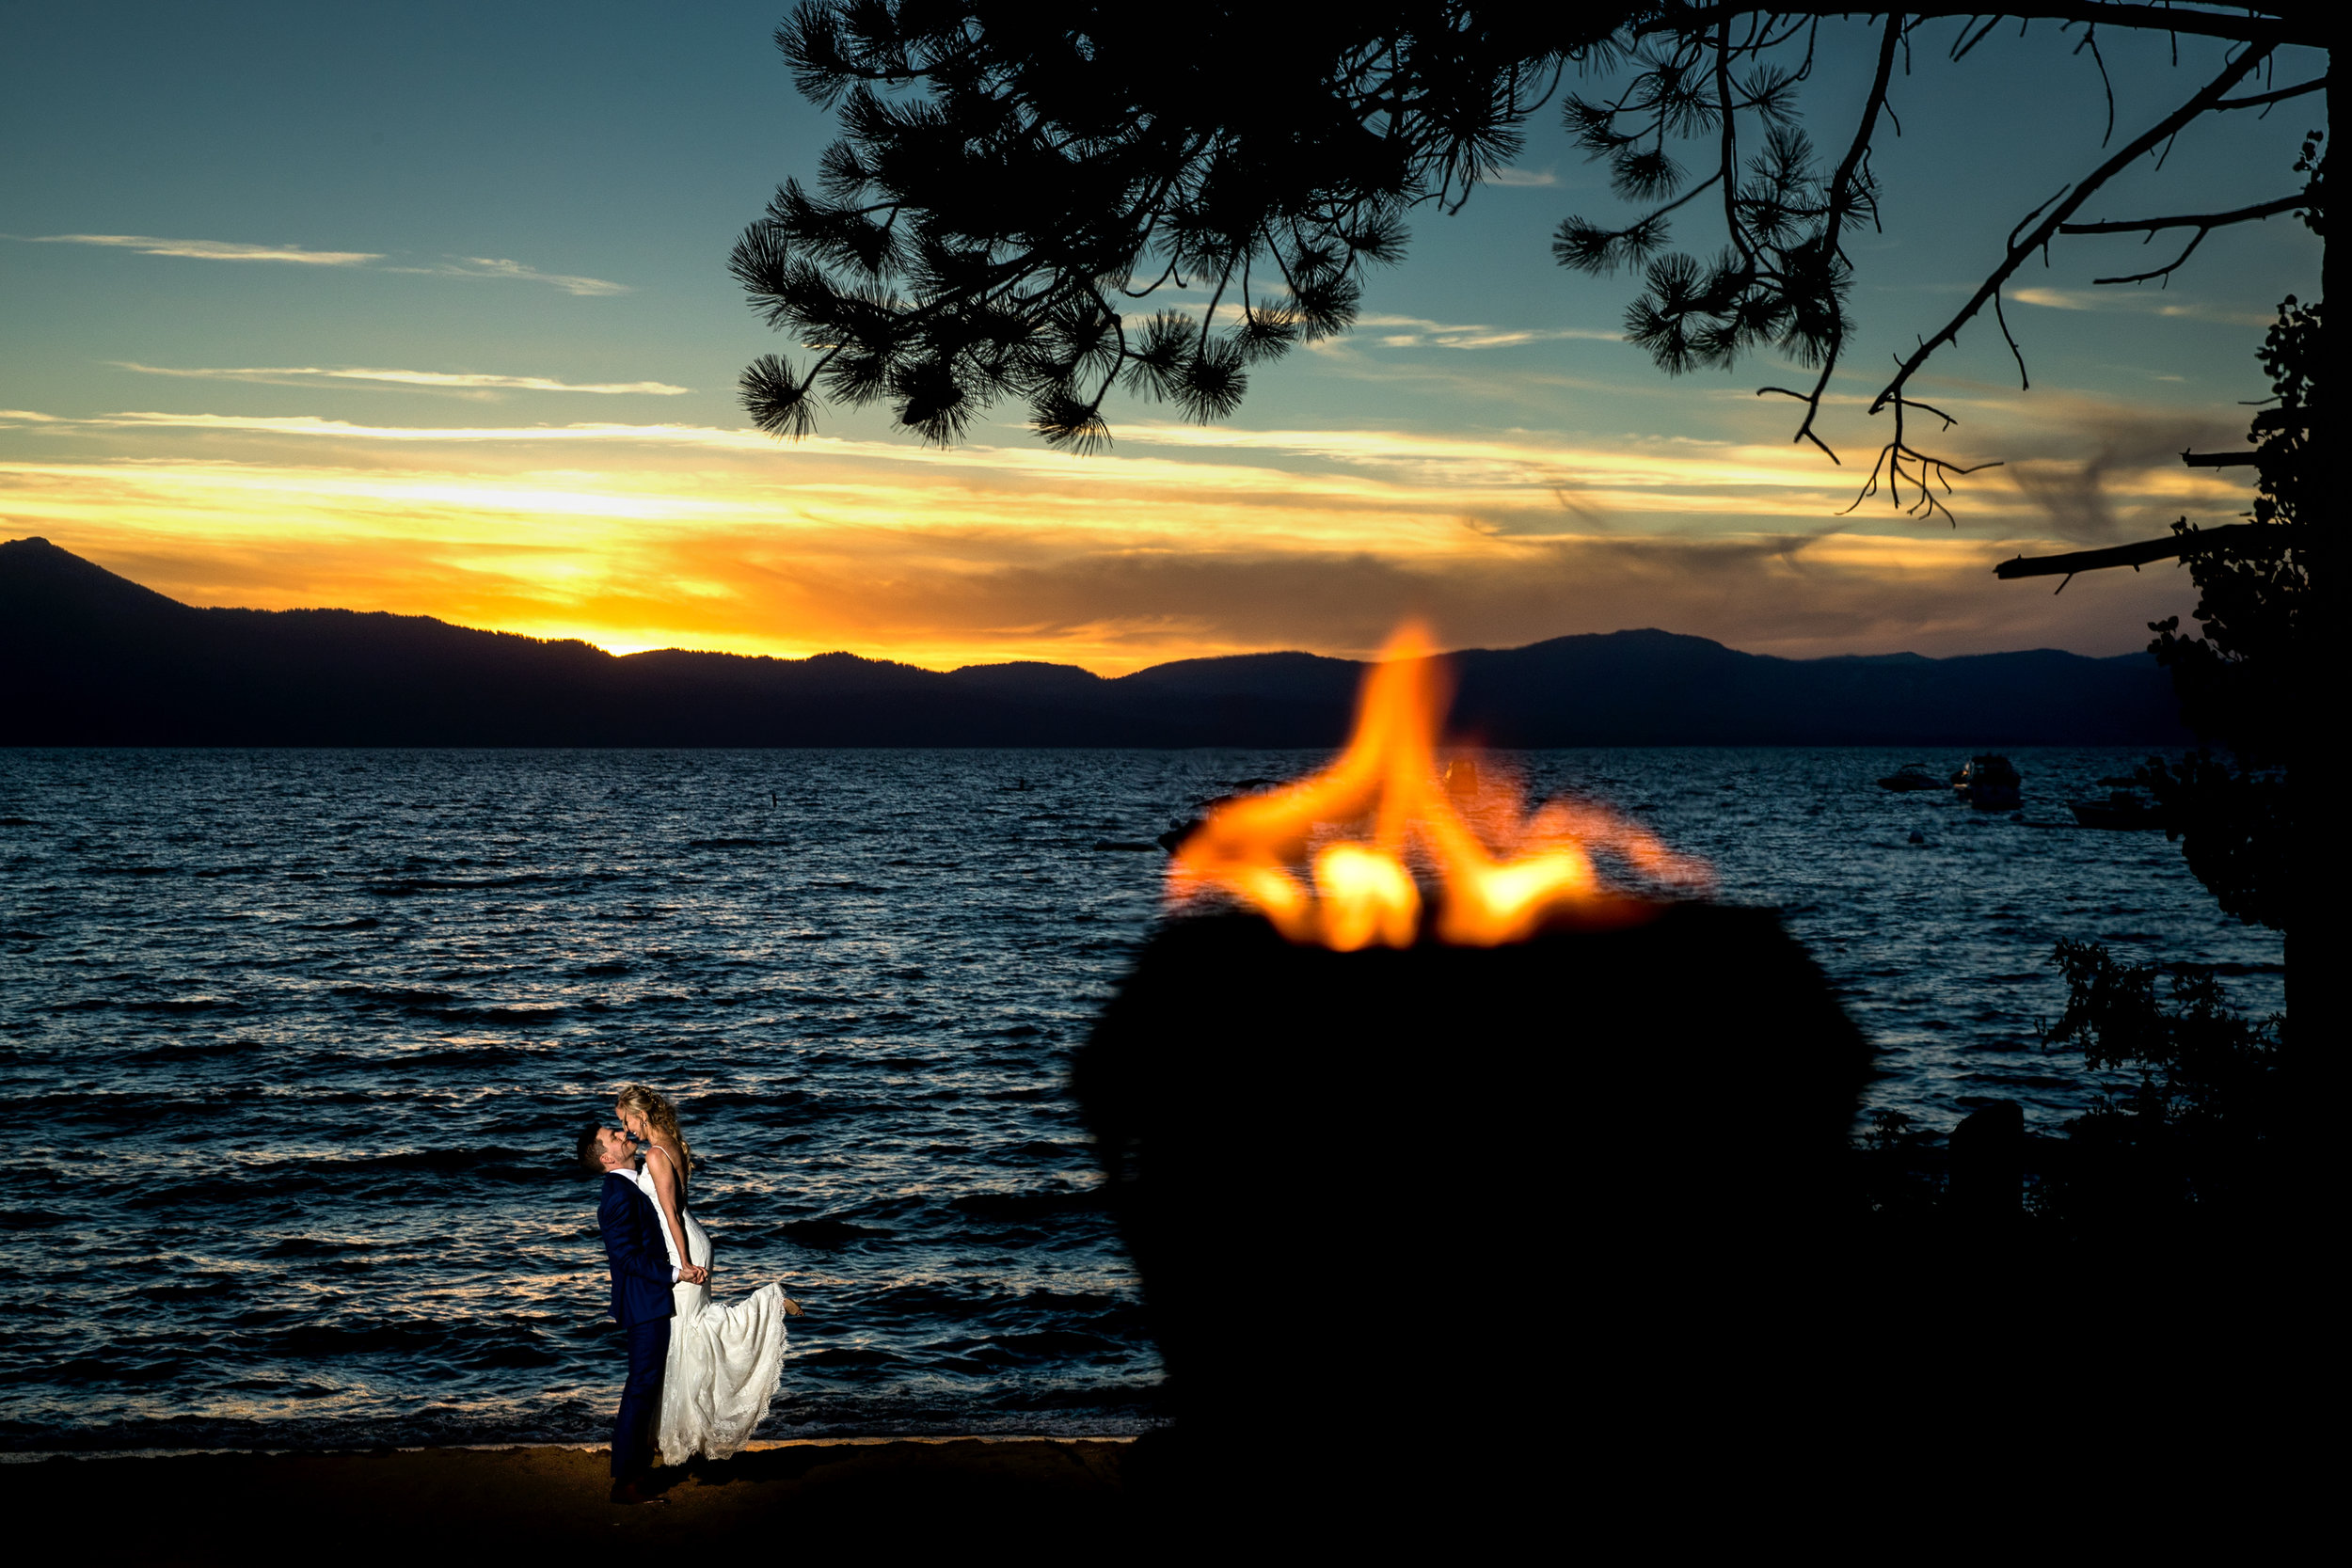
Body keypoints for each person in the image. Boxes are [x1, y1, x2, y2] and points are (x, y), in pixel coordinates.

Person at [613, 1084, 801, 1467]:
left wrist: (683, 1264)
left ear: (641, 1115)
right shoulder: (672, 1143)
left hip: (682, 1246)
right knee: (683, 1336)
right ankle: (676, 1438)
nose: (626, 1128)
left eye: (626, 1120)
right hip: (691, 1239)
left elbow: (669, 1213)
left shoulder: (655, 1152)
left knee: (692, 1330)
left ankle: (767, 1304)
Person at [578, 1123, 707, 1505]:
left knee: (644, 1384)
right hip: (644, 1301)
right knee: (641, 1386)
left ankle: (633, 1472)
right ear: (606, 1158)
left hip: (650, 1299)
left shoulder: (630, 1184)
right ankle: (626, 1482)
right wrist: (675, 1273)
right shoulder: (615, 1195)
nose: (621, 1134)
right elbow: (627, 1258)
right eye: (613, 1138)